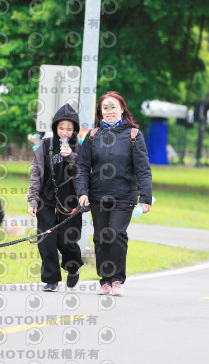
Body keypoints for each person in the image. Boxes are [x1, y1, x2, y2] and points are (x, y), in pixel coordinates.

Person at [76, 91, 152, 296]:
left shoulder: (134, 135)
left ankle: (117, 279)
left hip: (124, 196)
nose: (109, 111)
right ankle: (105, 280)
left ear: (122, 109)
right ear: (100, 111)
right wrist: (82, 192)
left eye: (113, 107)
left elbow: (143, 170)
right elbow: (82, 167)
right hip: (97, 196)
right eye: (105, 108)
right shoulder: (93, 136)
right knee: (101, 238)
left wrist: (145, 199)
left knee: (116, 234)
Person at [27, 104, 84, 292]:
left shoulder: (81, 147)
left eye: (69, 128)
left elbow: (83, 173)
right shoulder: (44, 146)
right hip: (47, 198)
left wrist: (71, 157)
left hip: (71, 200)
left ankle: (73, 267)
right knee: (46, 240)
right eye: (61, 128)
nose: (65, 132)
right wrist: (33, 199)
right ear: (55, 128)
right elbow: (36, 174)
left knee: (67, 240)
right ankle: (51, 279)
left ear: (75, 129)